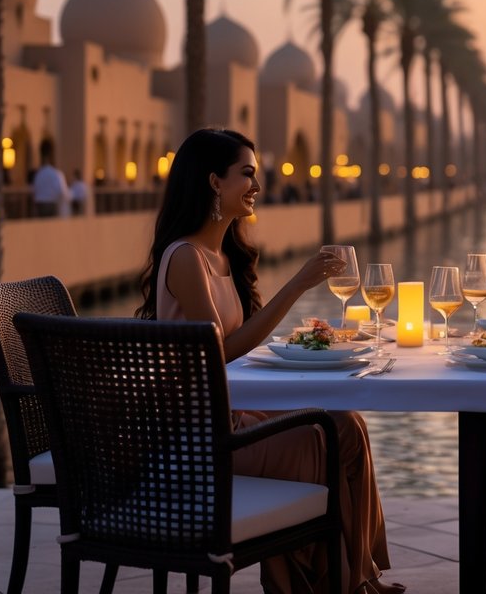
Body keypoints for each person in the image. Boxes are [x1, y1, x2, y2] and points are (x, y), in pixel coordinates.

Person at [136, 128, 402, 594]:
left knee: (347, 424)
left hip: (231, 413)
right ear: (215, 182)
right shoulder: (185, 258)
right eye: (247, 174)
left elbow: (241, 343)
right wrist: (297, 285)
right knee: (321, 441)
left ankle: (356, 575)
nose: (257, 185)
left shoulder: (220, 254)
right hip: (203, 437)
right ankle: (323, 583)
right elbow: (218, 351)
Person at [32, 153, 70, 217]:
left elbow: (35, 188)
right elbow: (61, 189)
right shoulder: (56, 173)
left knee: (41, 225)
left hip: (40, 203)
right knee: (51, 224)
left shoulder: (38, 174)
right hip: (52, 202)